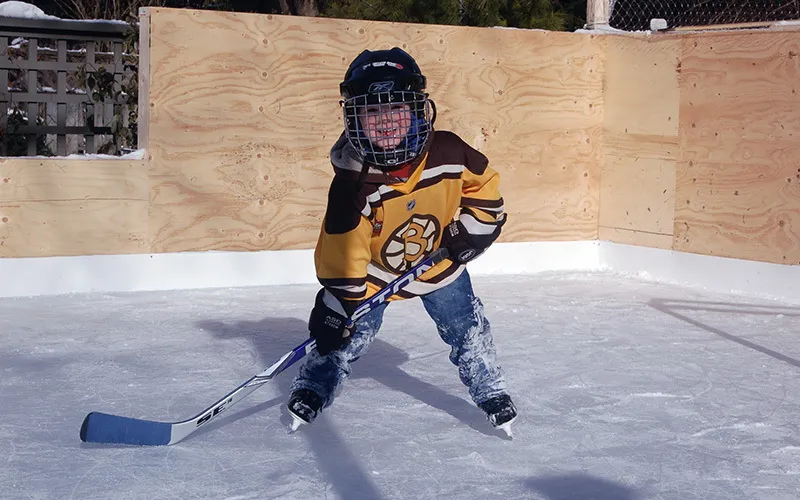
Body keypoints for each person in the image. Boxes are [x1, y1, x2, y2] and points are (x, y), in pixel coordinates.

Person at [287, 47, 517, 435]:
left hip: (439, 261)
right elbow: (343, 249)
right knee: (346, 335)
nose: (386, 121)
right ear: (353, 117)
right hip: (376, 273)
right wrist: (338, 303)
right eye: (372, 112)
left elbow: (484, 187)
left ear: (417, 109)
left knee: (467, 328)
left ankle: (489, 387)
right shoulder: (353, 183)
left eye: (396, 108)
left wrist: (474, 227)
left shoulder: (448, 150)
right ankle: (314, 385)